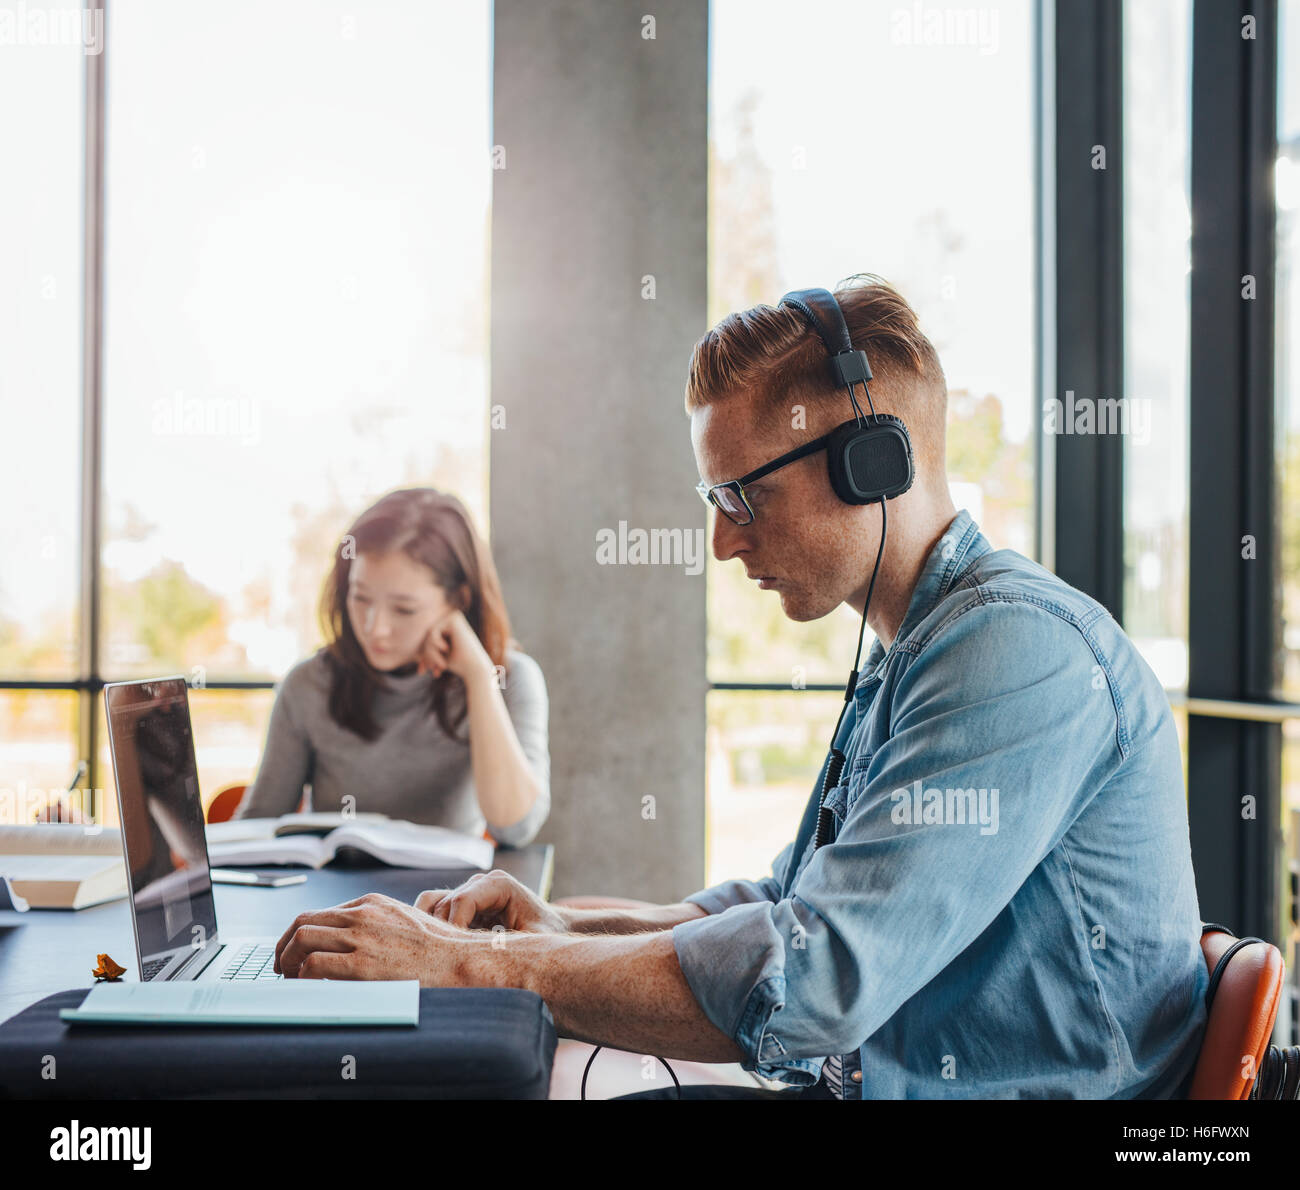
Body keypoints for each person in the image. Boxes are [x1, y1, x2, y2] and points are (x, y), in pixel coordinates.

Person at [270, 276, 1208, 1099]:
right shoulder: (913, 651)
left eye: (741, 496)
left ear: (870, 463)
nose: (721, 541)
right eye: (713, 503)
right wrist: (568, 923)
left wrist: (476, 965)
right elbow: (784, 902)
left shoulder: (1016, 652)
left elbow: (815, 982)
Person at [236, 487, 550, 848]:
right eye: (360, 597)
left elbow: (514, 828)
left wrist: (479, 677)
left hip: (441, 902)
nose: (374, 628)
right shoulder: (309, 683)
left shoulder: (510, 679)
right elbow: (257, 826)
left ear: (458, 601)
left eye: (404, 609)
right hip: (335, 902)